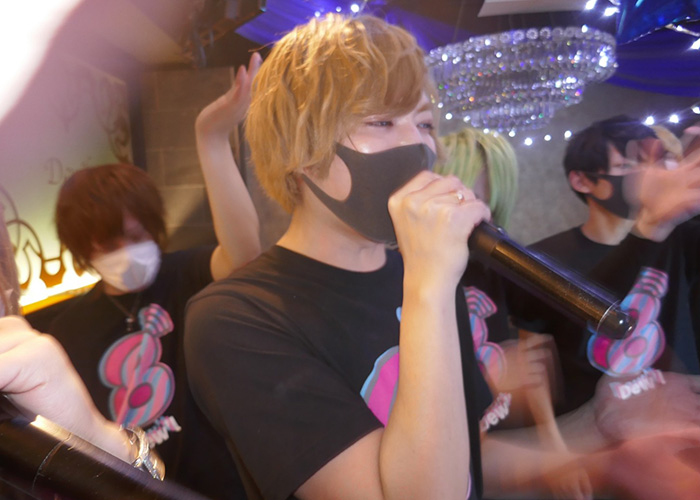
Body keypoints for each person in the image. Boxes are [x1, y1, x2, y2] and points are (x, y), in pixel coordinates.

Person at [184, 14, 700, 500]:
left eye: (426, 123)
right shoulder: (235, 318)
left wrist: (605, 453)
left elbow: (468, 455)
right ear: (298, 149)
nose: (419, 146)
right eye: (382, 121)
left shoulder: (428, 276)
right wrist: (429, 283)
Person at [44, 53, 262, 498]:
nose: (125, 253)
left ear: (153, 225)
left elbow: (244, 255)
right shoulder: (68, 331)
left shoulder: (189, 273)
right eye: (106, 245)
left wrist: (211, 139)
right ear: (84, 250)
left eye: (134, 235)